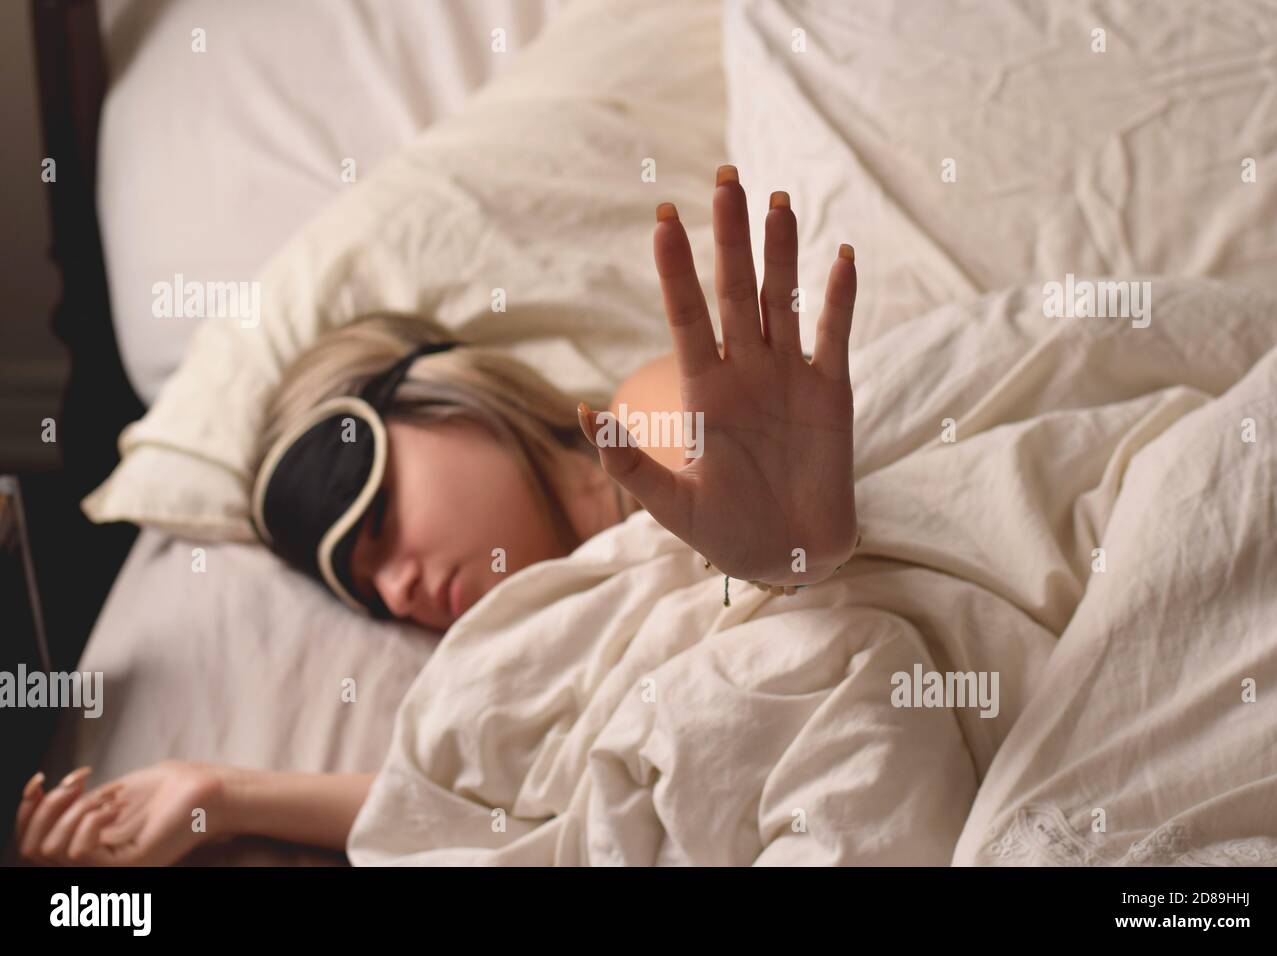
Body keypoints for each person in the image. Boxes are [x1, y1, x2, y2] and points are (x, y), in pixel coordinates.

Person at [13, 165, 858, 865]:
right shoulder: (513, 654)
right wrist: (220, 795)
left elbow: (747, 517)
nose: (397, 590)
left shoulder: (639, 415)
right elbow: (479, 808)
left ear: (447, 398)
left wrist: (785, 553)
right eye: (367, 590)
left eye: (380, 523)